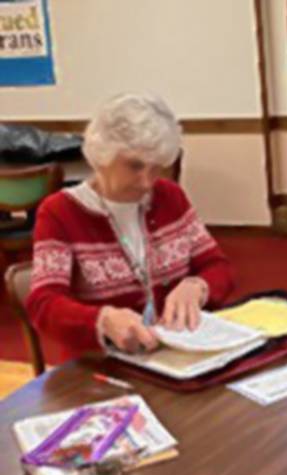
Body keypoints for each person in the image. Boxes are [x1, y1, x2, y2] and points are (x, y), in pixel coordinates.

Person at [26, 93, 235, 360]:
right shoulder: (60, 212)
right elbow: (44, 304)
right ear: (102, 155)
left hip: (174, 357)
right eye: (134, 166)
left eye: (156, 168)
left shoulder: (170, 197)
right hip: (102, 366)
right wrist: (103, 320)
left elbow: (219, 266)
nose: (147, 182)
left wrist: (197, 286)